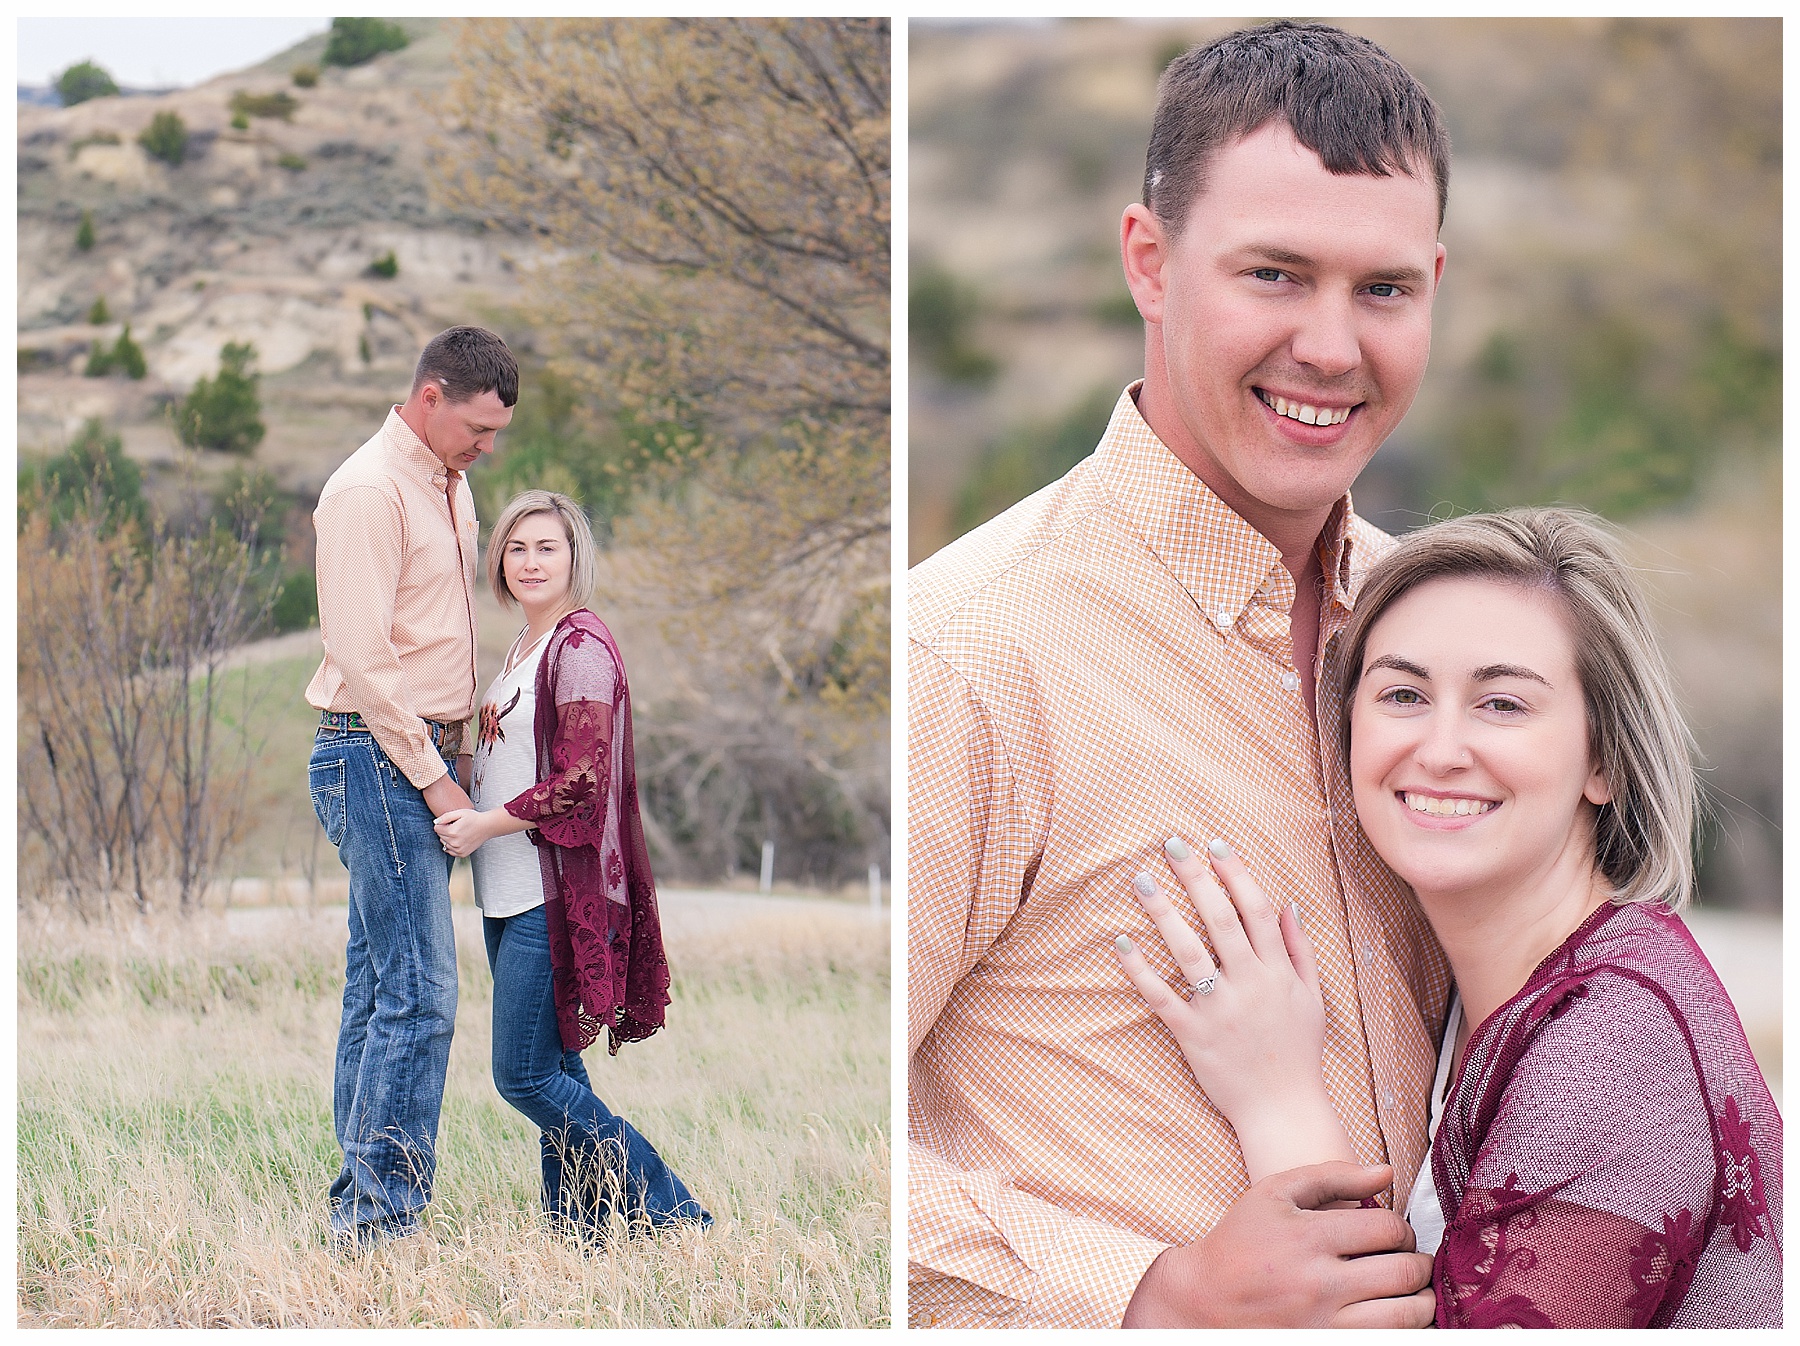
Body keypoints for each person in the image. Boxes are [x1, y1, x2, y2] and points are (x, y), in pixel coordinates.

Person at [909, 21, 1453, 1328]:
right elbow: (816, 1146)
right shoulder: (972, 651)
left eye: (1383, 289)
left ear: (1436, 282)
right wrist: (1158, 1289)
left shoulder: (1443, 647)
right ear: (1149, 263)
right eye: (1274, 274)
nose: (1331, 346)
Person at [1117, 508, 1782, 1327]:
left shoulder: (1612, 1042)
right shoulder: (1485, 994)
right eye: (1403, 693)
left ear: (1603, 760)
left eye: (1502, 704)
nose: (1439, 747)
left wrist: (1279, 1099)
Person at [433, 490, 710, 1241]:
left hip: (546, 899)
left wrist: (484, 822)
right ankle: (582, 1232)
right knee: (561, 1072)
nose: (529, 562)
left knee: (523, 1077)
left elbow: (580, 780)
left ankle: (671, 1206)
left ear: (573, 557)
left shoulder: (579, 646)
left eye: (546, 547)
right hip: (505, 893)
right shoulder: (525, 646)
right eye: (516, 548)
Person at [307, 325, 516, 1244]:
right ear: (430, 396)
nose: (487, 446)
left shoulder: (451, 486)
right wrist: (438, 784)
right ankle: (382, 1218)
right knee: (423, 994)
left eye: (498, 431)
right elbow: (364, 659)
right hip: (373, 756)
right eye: (477, 426)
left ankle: (358, 1198)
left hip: (421, 750)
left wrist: (463, 749)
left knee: (377, 987)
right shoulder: (367, 492)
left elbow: (437, 636)